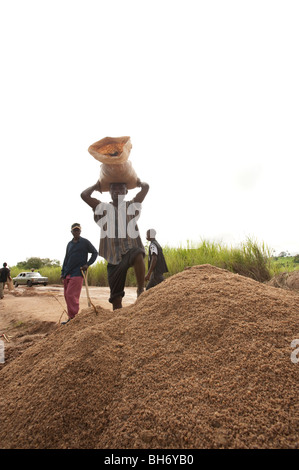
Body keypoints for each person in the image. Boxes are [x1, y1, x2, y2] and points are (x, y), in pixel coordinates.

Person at [81, 179, 149, 310]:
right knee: (115, 298)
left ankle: (140, 289)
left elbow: (146, 188)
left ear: (126, 191)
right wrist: (96, 186)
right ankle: (118, 319)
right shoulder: (102, 208)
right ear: (109, 192)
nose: (117, 190)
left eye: (120, 188)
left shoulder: (132, 205)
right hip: (113, 257)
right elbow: (84, 195)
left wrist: (138, 182)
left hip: (129, 250)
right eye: (113, 188)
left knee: (138, 253)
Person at [61, 223, 98, 323]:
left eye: (78, 230)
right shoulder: (69, 244)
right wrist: (62, 273)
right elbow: (66, 258)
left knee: (71, 295)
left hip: (78, 272)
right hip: (67, 272)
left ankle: (73, 318)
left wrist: (87, 264)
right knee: (66, 296)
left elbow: (95, 252)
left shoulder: (85, 242)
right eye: (74, 230)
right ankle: (71, 317)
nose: (76, 232)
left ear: (80, 231)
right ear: (71, 232)